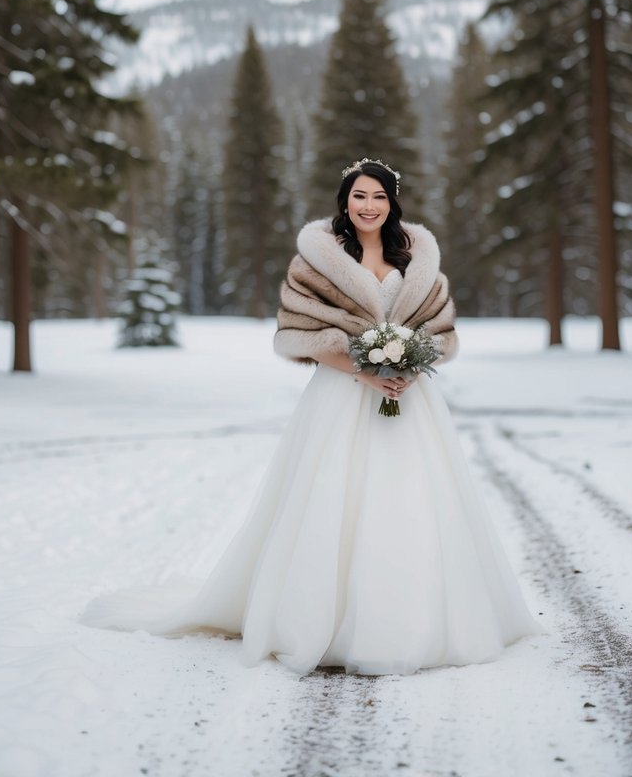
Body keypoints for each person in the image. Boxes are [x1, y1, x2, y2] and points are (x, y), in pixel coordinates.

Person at [81, 158, 542, 676]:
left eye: (379, 197)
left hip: (411, 402)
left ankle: (413, 621)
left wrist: (410, 366)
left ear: (393, 203)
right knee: (332, 501)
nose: (369, 206)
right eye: (359, 195)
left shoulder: (418, 258)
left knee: (412, 501)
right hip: (340, 398)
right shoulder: (318, 260)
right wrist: (365, 372)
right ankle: (317, 620)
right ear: (345, 200)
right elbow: (297, 333)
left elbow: (441, 331)